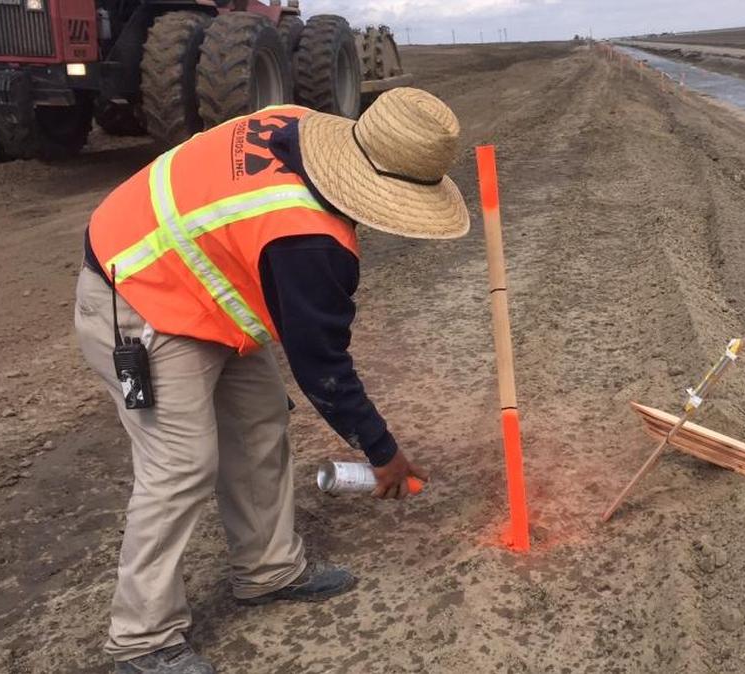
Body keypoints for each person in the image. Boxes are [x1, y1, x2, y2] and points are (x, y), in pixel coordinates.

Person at [74, 87, 470, 674]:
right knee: (181, 466)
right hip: (135, 291)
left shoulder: (296, 121)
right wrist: (382, 451)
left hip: (203, 287)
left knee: (261, 422)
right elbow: (322, 367)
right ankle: (142, 640)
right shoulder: (309, 240)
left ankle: (267, 571)